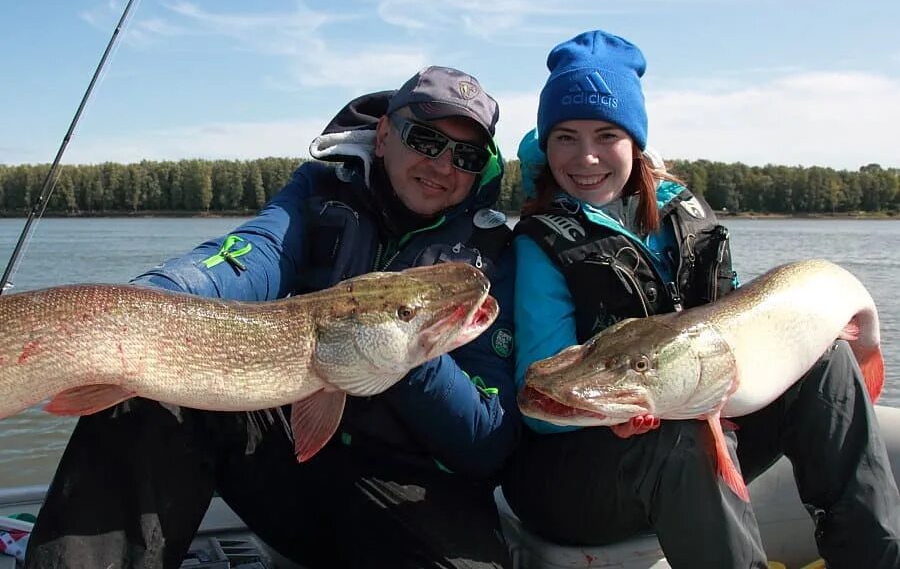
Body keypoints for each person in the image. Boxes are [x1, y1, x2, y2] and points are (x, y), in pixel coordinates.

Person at [26, 66, 520, 569]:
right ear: (385, 134)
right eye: (426, 139)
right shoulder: (319, 191)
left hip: (415, 492)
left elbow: (486, 447)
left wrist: (407, 355)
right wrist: (151, 301)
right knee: (150, 383)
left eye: (466, 155)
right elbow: (252, 252)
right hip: (285, 467)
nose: (442, 165)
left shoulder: (495, 255)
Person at [500, 29, 900, 569]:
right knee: (680, 431)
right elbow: (541, 405)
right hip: (572, 481)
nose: (586, 156)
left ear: (635, 141)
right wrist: (616, 410)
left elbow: (730, 333)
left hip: (684, 426)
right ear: (546, 145)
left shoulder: (684, 217)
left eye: (607, 135)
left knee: (824, 363)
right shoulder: (540, 244)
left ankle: (871, 558)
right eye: (565, 137)